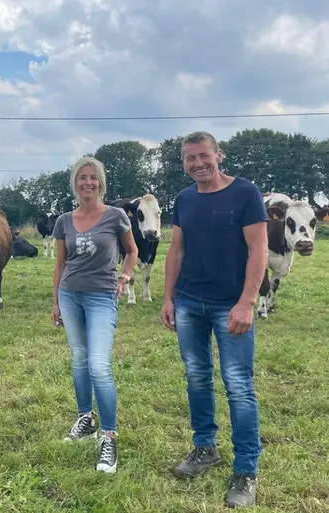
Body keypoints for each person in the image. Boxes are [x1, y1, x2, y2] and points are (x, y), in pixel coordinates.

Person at [160, 131, 268, 508]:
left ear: (219, 155)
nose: (198, 164)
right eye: (190, 159)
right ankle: (204, 448)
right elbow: (176, 251)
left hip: (231, 306)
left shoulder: (245, 193)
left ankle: (246, 469)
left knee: (238, 384)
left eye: (203, 156)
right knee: (196, 377)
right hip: (190, 303)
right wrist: (169, 298)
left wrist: (247, 301)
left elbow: (259, 249)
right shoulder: (184, 199)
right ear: (184, 163)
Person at [51, 156, 138, 474]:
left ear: (101, 183)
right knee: (79, 360)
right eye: (81, 178)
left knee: (99, 366)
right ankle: (86, 418)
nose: (87, 182)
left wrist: (125, 276)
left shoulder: (115, 216)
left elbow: (132, 251)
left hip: (102, 296)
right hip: (70, 294)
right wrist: (56, 301)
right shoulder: (63, 220)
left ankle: (109, 436)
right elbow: (60, 264)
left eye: (93, 178)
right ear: (75, 183)